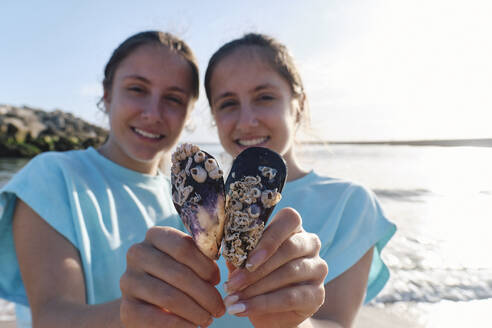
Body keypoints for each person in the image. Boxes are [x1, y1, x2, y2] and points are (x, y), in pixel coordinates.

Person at [0, 30, 204, 327]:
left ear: (189, 113)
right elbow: (52, 316)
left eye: (174, 99)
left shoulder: (190, 201)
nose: (153, 113)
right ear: (107, 95)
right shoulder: (52, 177)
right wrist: (134, 313)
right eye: (137, 89)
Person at [201, 33, 398, 327]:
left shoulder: (349, 204)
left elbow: (336, 322)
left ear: (299, 105)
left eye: (264, 97)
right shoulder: (198, 207)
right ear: (214, 116)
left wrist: (293, 321)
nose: (246, 120)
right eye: (228, 103)